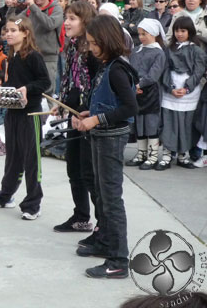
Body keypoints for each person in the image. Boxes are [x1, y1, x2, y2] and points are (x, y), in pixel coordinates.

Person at [72, 15, 138, 279]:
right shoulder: (106, 65)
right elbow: (110, 102)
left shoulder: (118, 68)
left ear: (106, 40)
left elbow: (130, 107)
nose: (90, 48)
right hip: (102, 136)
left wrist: (97, 119)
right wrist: (90, 112)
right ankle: (105, 242)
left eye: (94, 43)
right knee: (100, 192)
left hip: (112, 138)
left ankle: (119, 260)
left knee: (111, 198)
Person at [0, 16, 50, 220]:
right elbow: (13, 83)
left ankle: (33, 204)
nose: (9, 34)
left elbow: (45, 82)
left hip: (30, 114)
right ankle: (5, 195)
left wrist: (27, 89)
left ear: (25, 33)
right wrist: (0, 92)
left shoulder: (34, 57)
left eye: (14, 30)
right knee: (12, 158)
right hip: (13, 112)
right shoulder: (10, 58)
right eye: (7, 30)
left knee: (31, 160)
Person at [51, 1, 100, 234]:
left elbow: (95, 88)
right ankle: (81, 217)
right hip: (74, 115)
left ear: (85, 21)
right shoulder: (72, 47)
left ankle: (103, 225)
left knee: (89, 173)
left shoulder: (92, 51)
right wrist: (63, 104)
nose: (66, 23)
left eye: (72, 18)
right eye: (66, 18)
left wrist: (85, 111)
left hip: (89, 118)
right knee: (74, 169)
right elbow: (72, 83)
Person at [159, 16, 207, 170]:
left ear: (190, 31)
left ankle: (183, 155)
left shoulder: (197, 50)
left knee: (186, 124)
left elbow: (198, 71)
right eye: (177, 31)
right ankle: (166, 154)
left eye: (183, 31)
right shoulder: (169, 49)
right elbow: (165, 69)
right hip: (171, 89)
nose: (179, 34)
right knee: (169, 122)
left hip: (189, 92)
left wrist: (186, 88)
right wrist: (170, 87)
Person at [126, 19, 166, 170]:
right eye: (140, 34)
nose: (141, 37)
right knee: (139, 123)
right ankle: (141, 153)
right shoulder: (136, 50)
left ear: (154, 34)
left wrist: (138, 85)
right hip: (137, 92)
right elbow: (130, 69)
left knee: (151, 123)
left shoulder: (159, 53)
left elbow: (154, 75)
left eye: (145, 34)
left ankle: (153, 155)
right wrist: (132, 85)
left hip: (151, 92)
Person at [22, 0, 64, 94]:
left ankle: (49, 107)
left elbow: (50, 24)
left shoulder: (56, 9)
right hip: (30, 56)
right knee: (31, 90)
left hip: (48, 57)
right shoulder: (30, 10)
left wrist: (33, 7)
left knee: (47, 91)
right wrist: (12, 8)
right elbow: (15, 23)